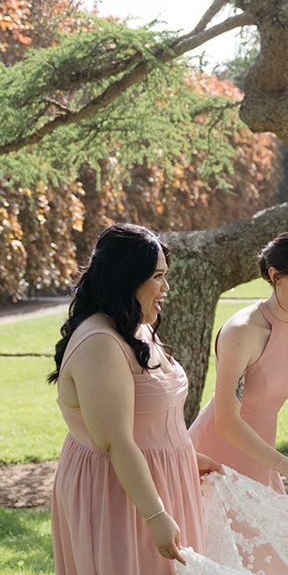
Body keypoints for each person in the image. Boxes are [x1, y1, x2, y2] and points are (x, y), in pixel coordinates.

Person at [49, 222, 215, 574]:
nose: (166, 287)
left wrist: (188, 456)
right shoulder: (100, 344)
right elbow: (118, 441)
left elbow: (150, 417)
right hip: (122, 494)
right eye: (157, 276)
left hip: (161, 481)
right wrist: (155, 516)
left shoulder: (134, 327)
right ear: (126, 278)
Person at [189, 231, 288, 502]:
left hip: (263, 457)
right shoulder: (242, 331)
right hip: (217, 453)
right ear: (276, 275)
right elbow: (227, 421)